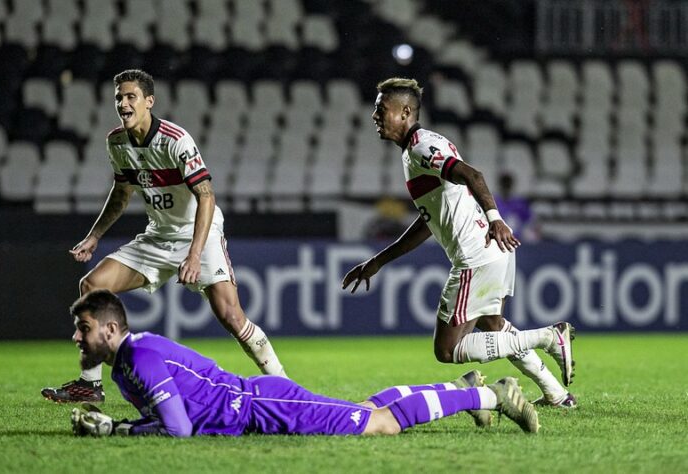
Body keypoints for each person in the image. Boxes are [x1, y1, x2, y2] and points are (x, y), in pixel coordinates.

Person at [42, 69, 287, 404]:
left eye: (131, 97)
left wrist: (194, 253)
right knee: (92, 286)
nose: (123, 104)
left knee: (232, 317)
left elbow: (207, 196)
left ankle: (285, 386)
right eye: (119, 98)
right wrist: (94, 236)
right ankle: (90, 384)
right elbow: (121, 192)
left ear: (149, 102)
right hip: (159, 235)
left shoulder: (175, 140)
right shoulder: (117, 142)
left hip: (198, 231)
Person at [342, 78, 576, 408]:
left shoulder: (423, 147)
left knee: (447, 349)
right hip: (489, 251)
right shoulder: (416, 151)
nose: (375, 115)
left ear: (405, 111)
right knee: (494, 327)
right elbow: (427, 222)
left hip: (476, 254)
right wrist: (378, 261)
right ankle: (557, 393)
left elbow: (473, 175)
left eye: (382, 108)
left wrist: (496, 219)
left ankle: (549, 336)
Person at [68, 290, 540, 437]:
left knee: (379, 425)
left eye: (84, 327)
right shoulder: (125, 364)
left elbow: (178, 430)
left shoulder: (140, 357)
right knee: (364, 409)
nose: (77, 337)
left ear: (111, 329)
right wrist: (121, 426)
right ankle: (463, 388)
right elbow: (169, 417)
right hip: (260, 403)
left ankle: (487, 395)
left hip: (264, 408)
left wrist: (118, 430)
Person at [495, 172, 540, 243]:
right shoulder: (493, 202)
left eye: (508, 185)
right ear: (500, 185)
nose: (506, 187)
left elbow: (531, 220)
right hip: (498, 238)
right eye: (504, 184)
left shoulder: (519, 203)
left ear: (511, 185)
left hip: (518, 239)